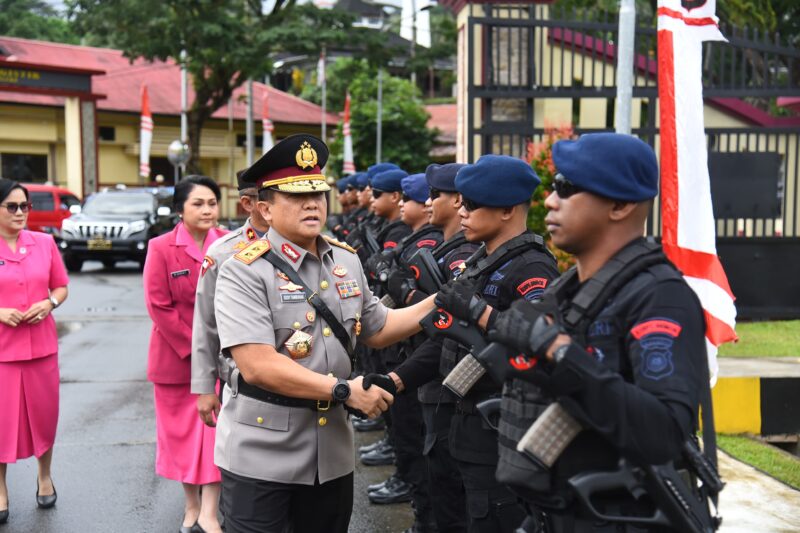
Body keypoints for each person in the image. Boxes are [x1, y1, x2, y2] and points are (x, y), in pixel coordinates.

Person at [487, 133, 714, 532]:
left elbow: (663, 431)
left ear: (620, 205)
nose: (550, 201)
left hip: (620, 517)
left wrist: (558, 351)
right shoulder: (569, 288)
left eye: (567, 188)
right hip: (558, 512)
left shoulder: (660, 297)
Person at [211, 134, 437, 533]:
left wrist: (442, 300)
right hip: (263, 452)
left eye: (318, 192)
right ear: (264, 208)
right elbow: (258, 365)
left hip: (330, 452)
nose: (313, 203)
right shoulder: (242, 270)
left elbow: (380, 326)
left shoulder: (345, 261)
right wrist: (346, 390)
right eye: (297, 196)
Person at [399, 155, 560, 533]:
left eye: (472, 204)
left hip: (501, 436)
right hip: (465, 427)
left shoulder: (532, 270)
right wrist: (397, 379)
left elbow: (537, 350)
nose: (463, 212)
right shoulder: (479, 261)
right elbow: (446, 339)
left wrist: (480, 314)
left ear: (506, 209)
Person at [388, 163, 478, 533]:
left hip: (455, 385)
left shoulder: (465, 256)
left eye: (434, 195)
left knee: (456, 487)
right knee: (434, 466)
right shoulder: (455, 250)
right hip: (428, 367)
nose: (427, 203)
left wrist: (407, 291)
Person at [143, 175, 228, 533]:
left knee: (214, 433)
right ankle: (191, 504)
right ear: (180, 209)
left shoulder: (227, 243)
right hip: (176, 360)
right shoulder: (161, 247)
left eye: (212, 202)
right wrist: (196, 349)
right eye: (198, 203)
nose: (207, 209)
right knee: (180, 435)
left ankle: (209, 511)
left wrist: (214, 350)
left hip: (222, 357)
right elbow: (158, 305)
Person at [0, 178, 69, 525]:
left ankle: (44, 476)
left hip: (41, 348)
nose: (20, 213)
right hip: (2, 352)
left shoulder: (43, 243)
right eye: (11, 207)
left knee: (44, 417)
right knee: (1, 422)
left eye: (24, 206)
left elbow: (61, 285)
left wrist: (49, 302)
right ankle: (0, 488)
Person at [192, 171, 270, 429]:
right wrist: (205, 387)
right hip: (243, 382)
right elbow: (206, 323)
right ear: (248, 204)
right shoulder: (224, 253)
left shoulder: (306, 246)